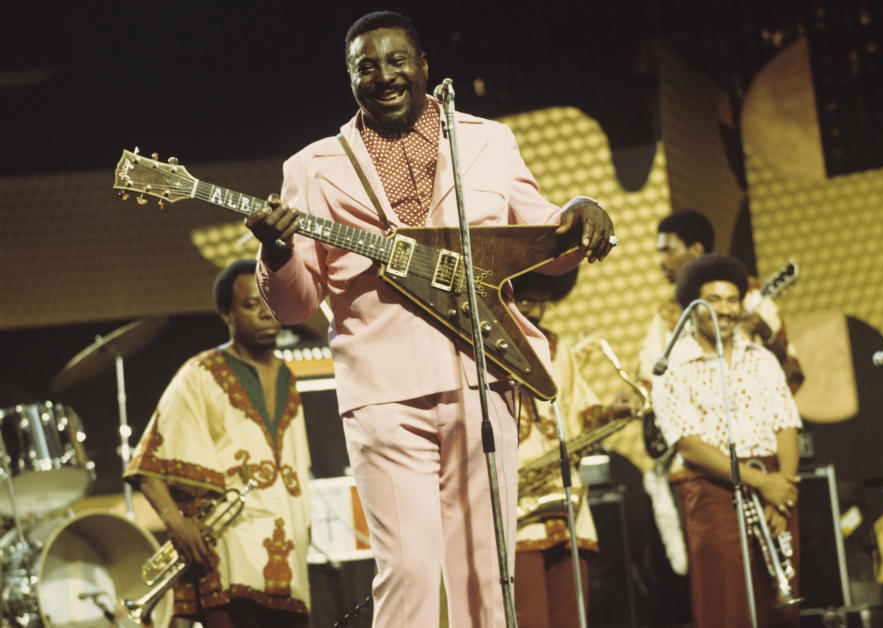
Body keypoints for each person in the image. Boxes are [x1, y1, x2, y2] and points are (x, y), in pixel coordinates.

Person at [243, 11, 616, 628]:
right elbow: (296, 305)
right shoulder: (311, 166)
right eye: (366, 66)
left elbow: (544, 238)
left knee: (486, 569)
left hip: (482, 375)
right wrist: (278, 252)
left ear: (424, 69)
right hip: (381, 390)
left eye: (397, 61)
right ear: (350, 77)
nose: (384, 76)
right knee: (410, 569)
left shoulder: (487, 141)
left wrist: (580, 210)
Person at [124, 259, 311, 627]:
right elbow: (147, 465)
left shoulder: (290, 378)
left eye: (270, 301)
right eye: (250, 304)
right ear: (226, 313)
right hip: (227, 554)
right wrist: (176, 524)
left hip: (288, 556)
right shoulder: (201, 372)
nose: (265, 313)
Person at [651, 253, 802, 628]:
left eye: (733, 300)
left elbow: (786, 424)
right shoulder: (672, 365)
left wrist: (782, 490)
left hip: (775, 486)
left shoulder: (762, 359)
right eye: (714, 300)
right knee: (727, 603)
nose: (725, 309)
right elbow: (687, 443)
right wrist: (763, 483)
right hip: (714, 490)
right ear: (692, 306)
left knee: (780, 606)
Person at [511, 269, 634, 628]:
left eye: (541, 303)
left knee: (573, 617)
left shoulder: (557, 348)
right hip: (513, 503)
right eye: (525, 301)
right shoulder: (478, 348)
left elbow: (581, 412)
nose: (534, 312)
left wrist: (613, 412)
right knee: (528, 617)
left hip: (565, 500)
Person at [639, 209, 803, 391]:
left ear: (696, 250)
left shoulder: (750, 294)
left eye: (667, 251)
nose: (661, 260)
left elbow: (791, 372)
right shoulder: (668, 312)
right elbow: (649, 378)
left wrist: (765, 332)